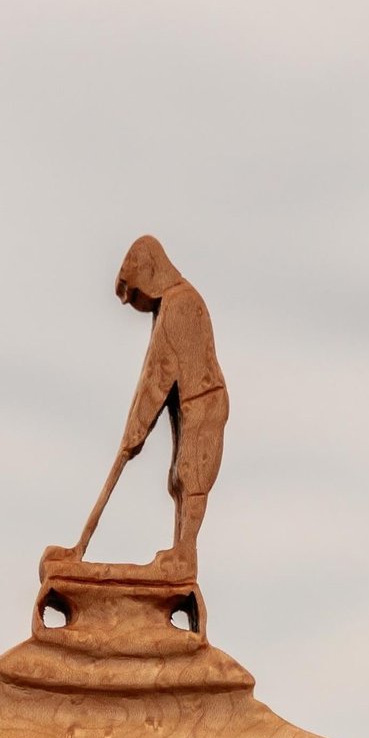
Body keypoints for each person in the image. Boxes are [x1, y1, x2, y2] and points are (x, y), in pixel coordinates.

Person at [109, 237, 227, 568]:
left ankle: (185, 553)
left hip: (203, 400)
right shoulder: (168, 306)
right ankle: (181, 550)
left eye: (135, 293)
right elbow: (153, 375)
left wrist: (135, 434)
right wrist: (133, 432)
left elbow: (158, 377)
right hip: (189, 403)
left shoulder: (181, 304)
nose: (136, 302)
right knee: (178, 478)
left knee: (191, 473)